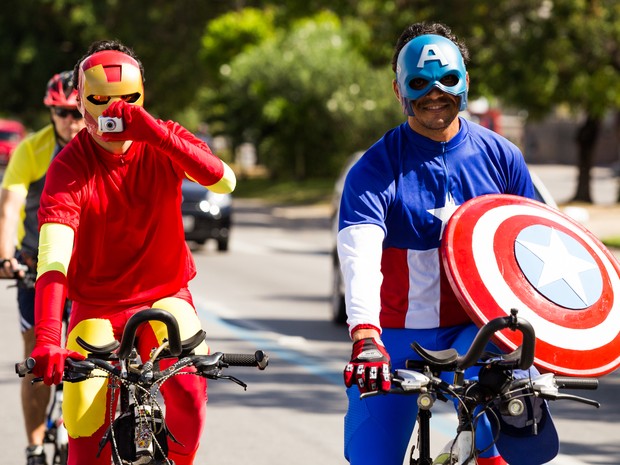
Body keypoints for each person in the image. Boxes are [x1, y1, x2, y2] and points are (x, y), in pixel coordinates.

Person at [338, 22, 550, 465]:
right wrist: (364, 336)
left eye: (447, 80)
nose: (435, 93)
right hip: (394, 336)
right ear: (399, 90)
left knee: (515, 444)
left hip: (479, 329)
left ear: (466, 82)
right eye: (419, 83)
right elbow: (360, 255)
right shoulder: (374, 168)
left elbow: (535, 249)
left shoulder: (503, 156)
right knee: (369, 458)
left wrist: (543, 336)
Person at [28, 39, 236, 465]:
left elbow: (224, 180)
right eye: (100, 101)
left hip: (166, 295)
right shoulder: (69, 165)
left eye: (127, 101)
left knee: (188, 394)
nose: (113, 113)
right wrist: (49, 338)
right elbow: (53, 259)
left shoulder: (163, 136)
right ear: (81, 102)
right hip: (96, 306)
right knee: (83, 415)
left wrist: (154, 134)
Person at [0, 71, 85, 465]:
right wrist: (6, 258)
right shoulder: (32, 150)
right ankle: (35, 446)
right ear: (51, 111)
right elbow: (10, 206)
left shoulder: (102, 145)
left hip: (90, 269)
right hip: (38, 265)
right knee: (37, 357)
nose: (73, 120)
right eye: (64, 112)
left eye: (79, 111)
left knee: (98, 354)